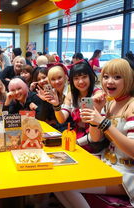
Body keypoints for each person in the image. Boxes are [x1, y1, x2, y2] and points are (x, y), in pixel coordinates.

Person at [56, 58, 134, 208]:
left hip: (127, 174)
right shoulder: (110, 102)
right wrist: (96, 112)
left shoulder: (131, 105)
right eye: (106, 77)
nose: (110, 82)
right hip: (106, 163)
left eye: (117, 77)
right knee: (55, 178)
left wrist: (103, 122)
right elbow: (95, 138)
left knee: (65, 184)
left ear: (128, 79)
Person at [44, 60, 102, 151]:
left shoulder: (97, 94)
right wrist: (56, 105)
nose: (81, 81)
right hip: (76, 137)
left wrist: (76, 142)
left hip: (95, 143)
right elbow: (61, 119)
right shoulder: (71, 95)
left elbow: (96, 135)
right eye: (76, 78)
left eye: (84, 77)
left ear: (90, 77)